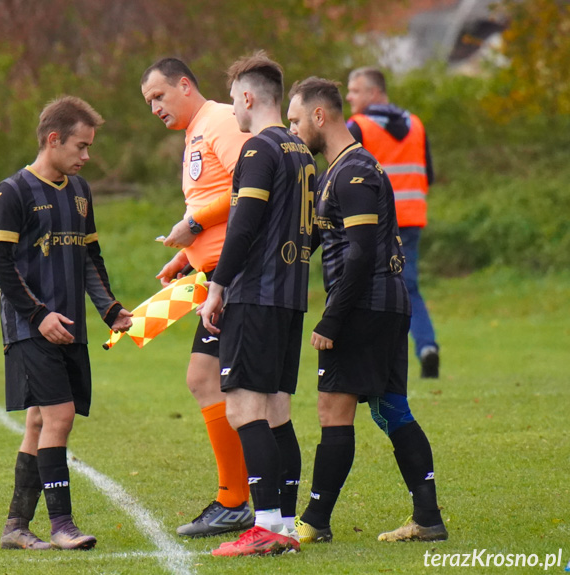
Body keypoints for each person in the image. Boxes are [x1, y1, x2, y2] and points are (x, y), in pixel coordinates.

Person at [286, 77, 448, 544]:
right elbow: (316, 241)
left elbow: (358, 254)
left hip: (364, 306)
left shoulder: (353, 171)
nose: (294, 132)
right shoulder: (338, 170)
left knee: (332, 410)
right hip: (389, 303)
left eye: (295, 121)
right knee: (392, 408)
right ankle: (428, 517)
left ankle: (314, 521)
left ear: (320, 116)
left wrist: (332, 317)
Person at [0, 96, 133, 551]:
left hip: (70, 326)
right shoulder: (11, 192)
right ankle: (63, 526)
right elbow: (1, 264)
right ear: (53, 140)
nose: (86, 156)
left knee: (38, 421)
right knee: (59, 416)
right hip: (30, 326)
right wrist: (38, 314)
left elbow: (89, 257)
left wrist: (109, 309)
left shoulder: (79, 190)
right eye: (81, 146)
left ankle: (15, 527)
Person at [199, 51, 314, 557]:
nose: (233, 109)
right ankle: (285, 525)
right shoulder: (302, 152)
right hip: (290, 299)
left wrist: (218, 287)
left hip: (257, 294)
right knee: (277, 411)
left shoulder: (257, 150)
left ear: (248, 96)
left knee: (246, 408)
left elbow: (244, 225)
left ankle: (264, 525)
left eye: (233, 99)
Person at [140, 58, 254, 537]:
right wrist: (187, 256)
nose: (155, 109)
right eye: (149, 103)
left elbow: (250, 188)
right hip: (213, 275)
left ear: (185, 85)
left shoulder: (223, 121)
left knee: (237, 389)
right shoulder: (196, 132)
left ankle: (242, 500)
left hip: (241, 276)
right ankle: (239, 498)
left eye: (160, 97)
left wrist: (195, 224)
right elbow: (215, 204)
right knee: (206, 379)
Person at [346, 67, 440, 378]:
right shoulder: (416, 124)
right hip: (411, 218)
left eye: (355, 90)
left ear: (374, 93)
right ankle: (427, 346)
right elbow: (430, 174)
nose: (349, 96)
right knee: (408, 285)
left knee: (370, 286)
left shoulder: (357, 127)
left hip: (374, 219)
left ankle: (376, 359)